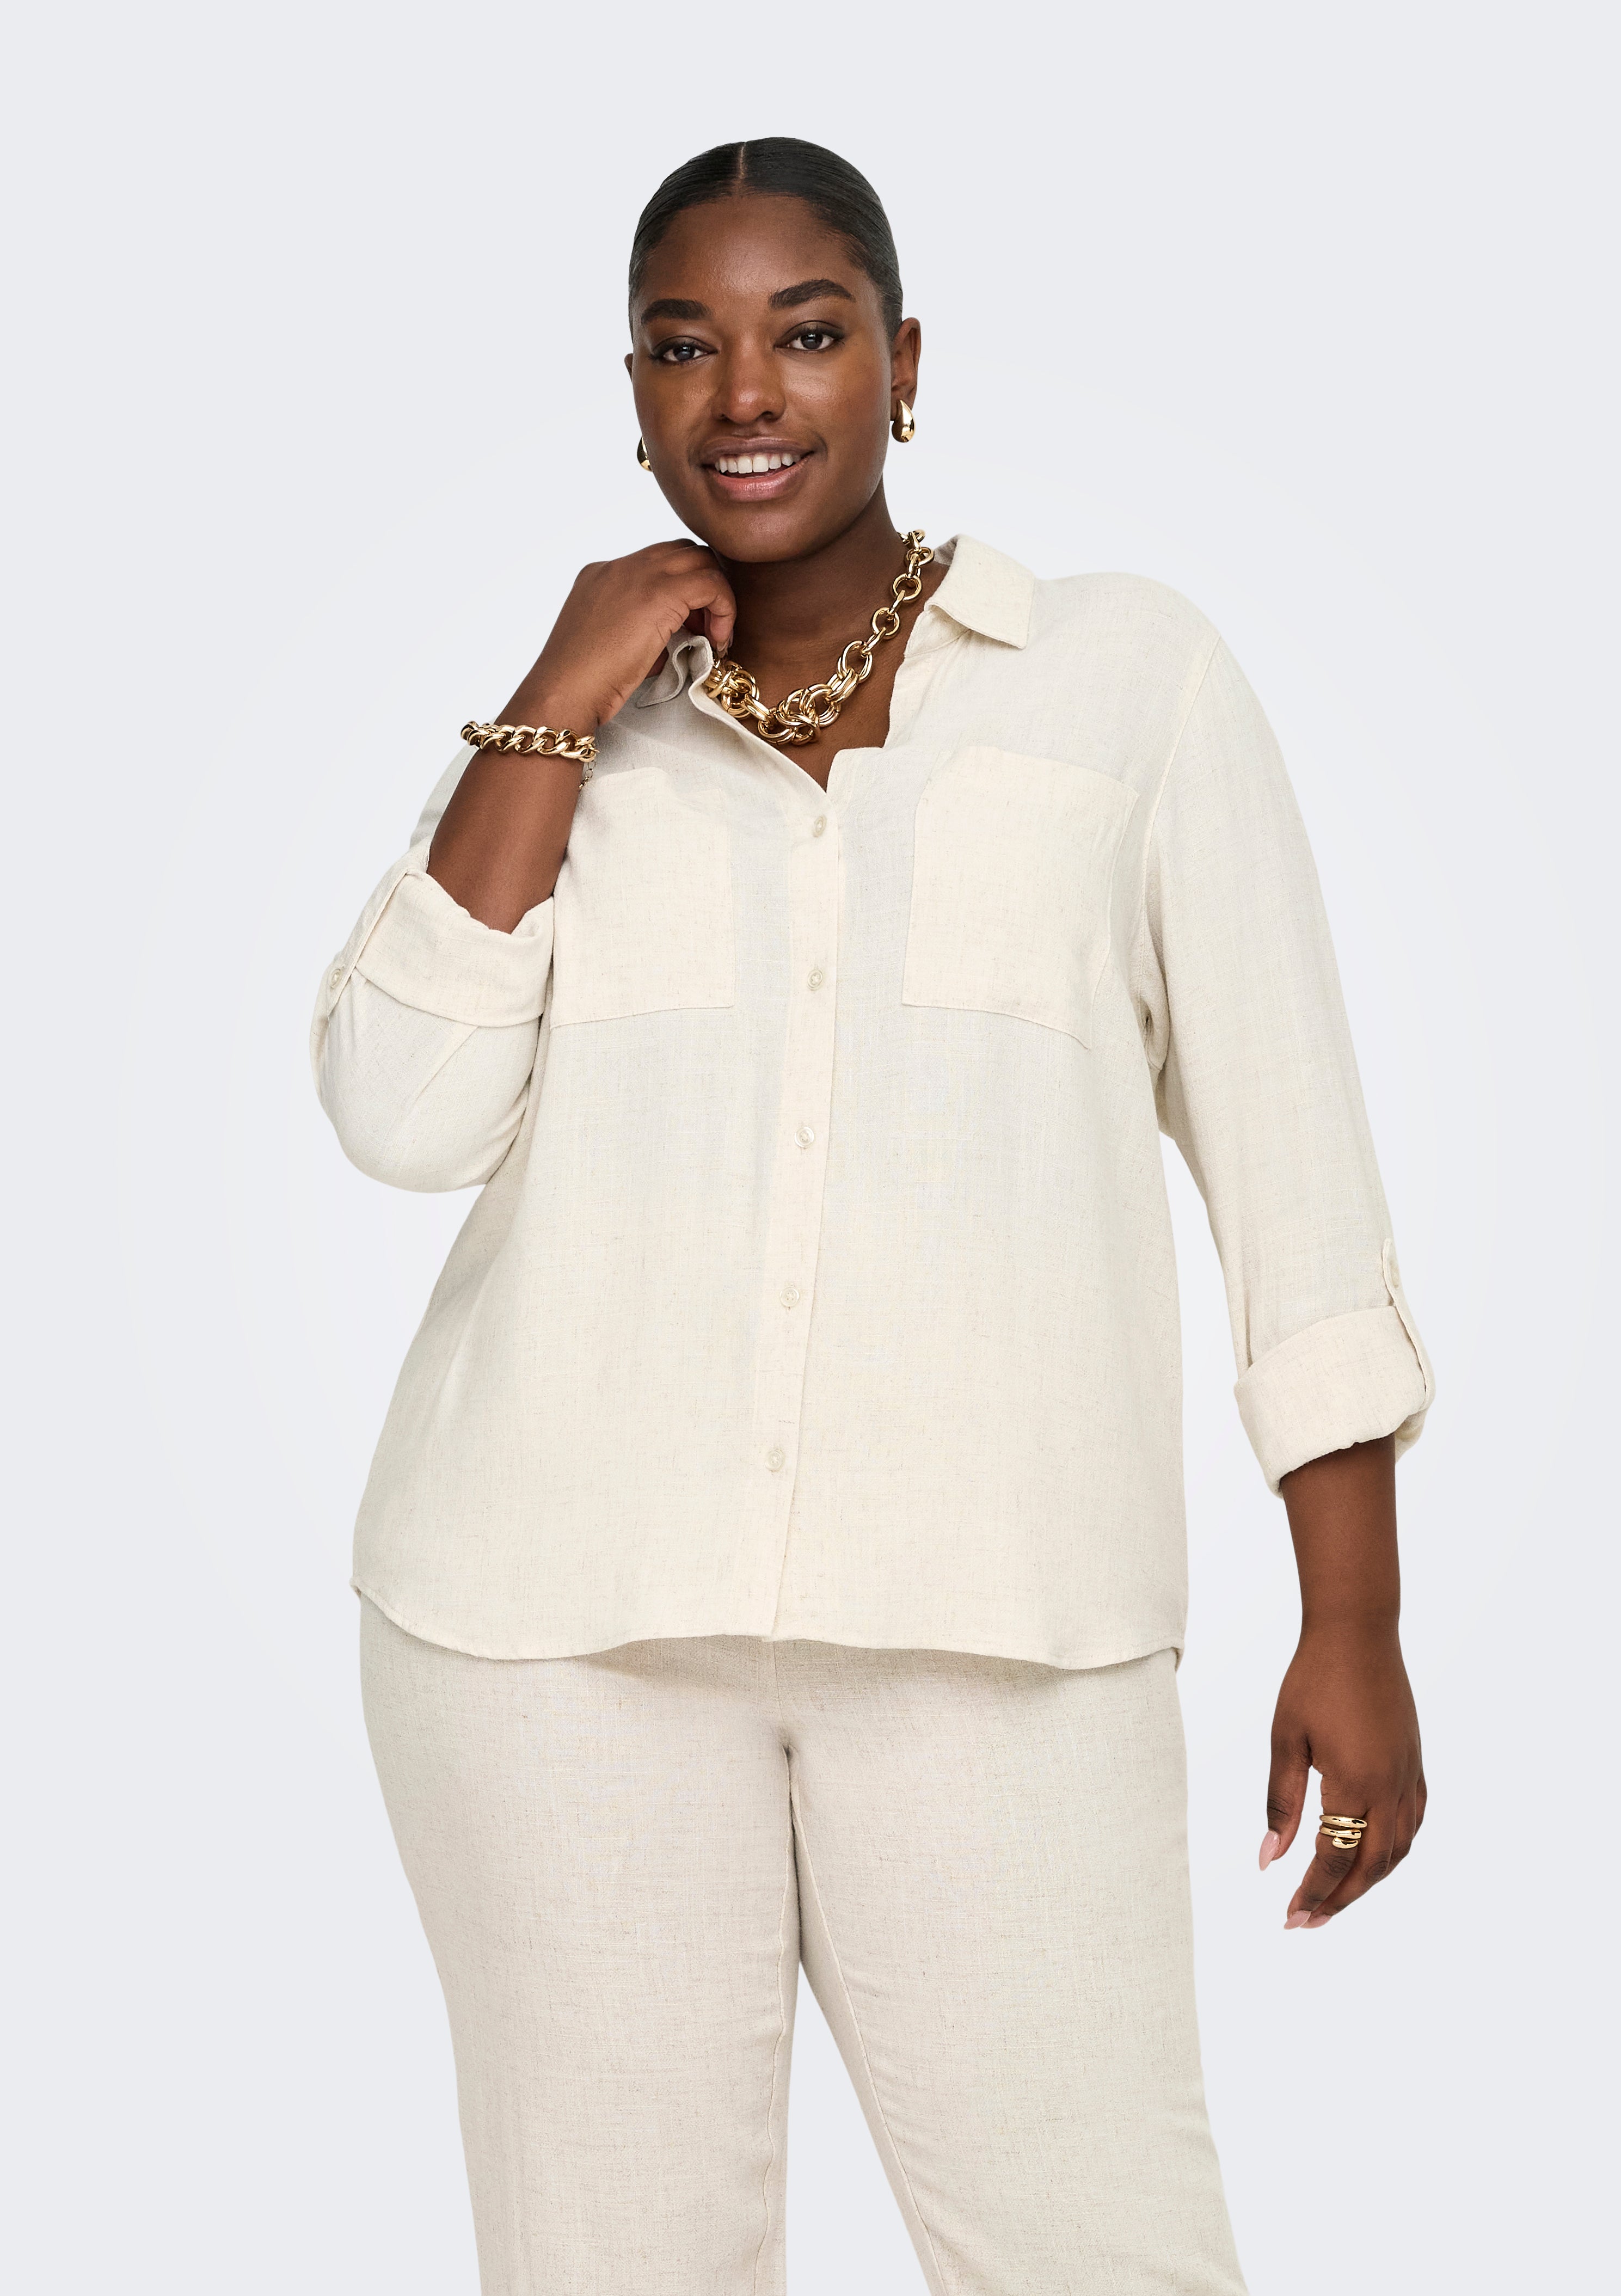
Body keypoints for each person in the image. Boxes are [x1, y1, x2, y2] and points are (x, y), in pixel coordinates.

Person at [312, 136, 1433, 2296]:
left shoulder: (1127, 681)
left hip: (998, 1639)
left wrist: (1353, 1618)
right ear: (632, 395)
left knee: (1103, 2251)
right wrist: (557, 690)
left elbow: (1297, 1171)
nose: (745, 392)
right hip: (548, 1636)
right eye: (683, 347)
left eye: (806, 333)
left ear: (903, 365)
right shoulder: (559, 736)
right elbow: (394, 1109)